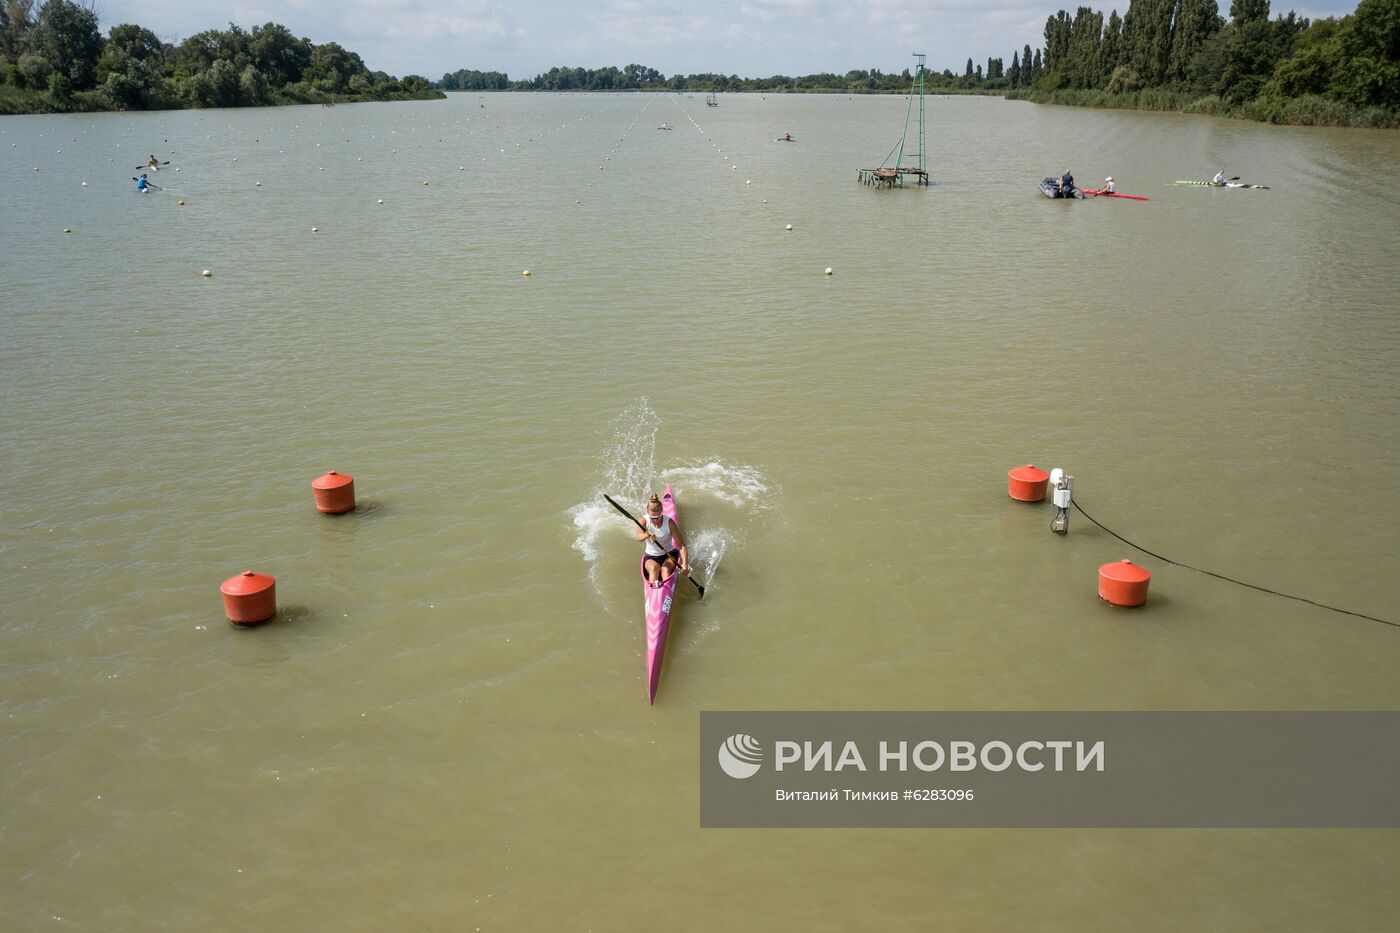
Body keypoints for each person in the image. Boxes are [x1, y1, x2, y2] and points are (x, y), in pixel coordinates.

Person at [635, 492, 689, 588]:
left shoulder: (670, 523)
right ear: (647, 511)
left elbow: (681, 545)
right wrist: (647, 535)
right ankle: (654, 593)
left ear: (662, 512)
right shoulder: (643, 521)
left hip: (669, 555)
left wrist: (684, 564)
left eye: (658, 517)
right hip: (650, 557)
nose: (655, 520)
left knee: (665, 569)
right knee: (653, 568)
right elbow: (638, 536)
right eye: (652, 517)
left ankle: (666, 592)